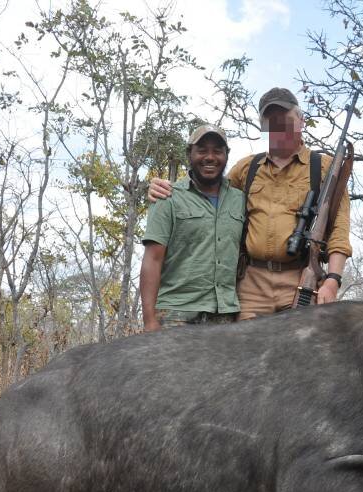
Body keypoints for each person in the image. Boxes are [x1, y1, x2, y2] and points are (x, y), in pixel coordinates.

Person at [148, 87, 351, 320]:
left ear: (301, 120)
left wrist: (333, 280)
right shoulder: (247, 168)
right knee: (245, 350)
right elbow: (207, 191)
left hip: (300, 277)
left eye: (285, 119)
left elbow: (339, 231)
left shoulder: (326, 167)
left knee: (300, 351)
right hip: (252, 283)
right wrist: (164, 188)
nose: (278, 127)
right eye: (271, 122)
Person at [140, 124, 244, 331]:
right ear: (189, 153)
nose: (210, 157)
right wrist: (149, 320)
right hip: (175, 314)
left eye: (217, 151)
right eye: (202, 150)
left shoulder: (239, 199)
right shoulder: (167, 197)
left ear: (226, 155)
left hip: (224, 315)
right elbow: (153, 258)